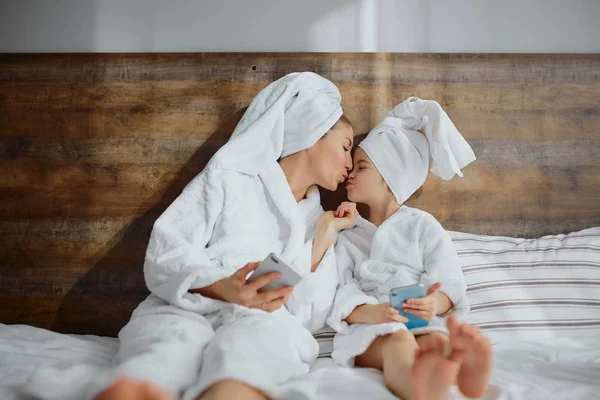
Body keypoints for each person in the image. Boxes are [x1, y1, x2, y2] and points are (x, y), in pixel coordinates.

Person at [326, 97, 491, 399]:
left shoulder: (423, 226)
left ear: (390, 180)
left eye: (361, 167)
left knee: (434, 344)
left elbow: (450, 282)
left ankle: (459, 370)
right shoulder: (348, 232)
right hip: (372, 325)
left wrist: (434, 304)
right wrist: (370, 312)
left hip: (422, 321)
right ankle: (421, 389)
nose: (349, 170)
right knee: (398, 343)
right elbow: (341, 291)